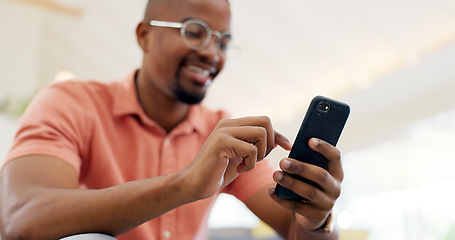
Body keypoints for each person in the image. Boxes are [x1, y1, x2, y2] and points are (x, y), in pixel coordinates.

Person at [0, 0, 343, 239]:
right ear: (144, 35)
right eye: (195, 32)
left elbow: (293, 228)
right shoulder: (71, 103)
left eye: (224, 41)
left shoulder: (225, 132)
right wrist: (185, 184)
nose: (212, 53)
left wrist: (317, 219)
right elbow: (21, 219)